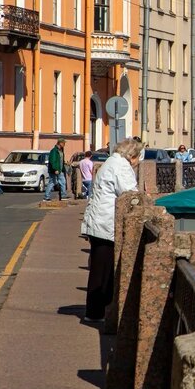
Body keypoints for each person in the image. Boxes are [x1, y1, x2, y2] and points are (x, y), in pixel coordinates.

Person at [80, 138, 143, 323]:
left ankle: (96, 311)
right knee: (104, 271)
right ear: (132, 155)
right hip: (106, 224)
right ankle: (97, 313)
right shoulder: (122, 167)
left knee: (99, 269)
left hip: (98, 222)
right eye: (138, 157)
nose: (138, 162)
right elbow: (130, 195)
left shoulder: (110, 162)